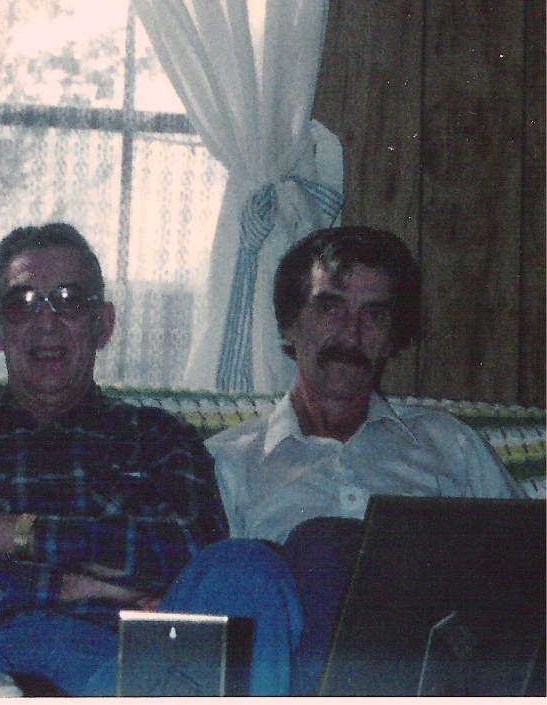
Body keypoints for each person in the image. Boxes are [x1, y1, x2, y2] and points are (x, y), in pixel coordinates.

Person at [0, 223, 303, 696]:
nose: (46, 322)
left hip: (128, 674)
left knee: (248, 566)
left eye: (69, 300)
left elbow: (180, 553)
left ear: (104, 324)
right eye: (22, 303)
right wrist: (78, 584)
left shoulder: (159, 437)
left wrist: (13, 535)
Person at [206, 225, 524, 693]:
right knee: (315, 548)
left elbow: (527, 569)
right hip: (292, 681)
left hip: (439, 678)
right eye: (330, 308)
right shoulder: (229, 464)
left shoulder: (449, 444)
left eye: (374, 315)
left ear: (392, 337)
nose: (351, 334)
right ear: (290, 324)